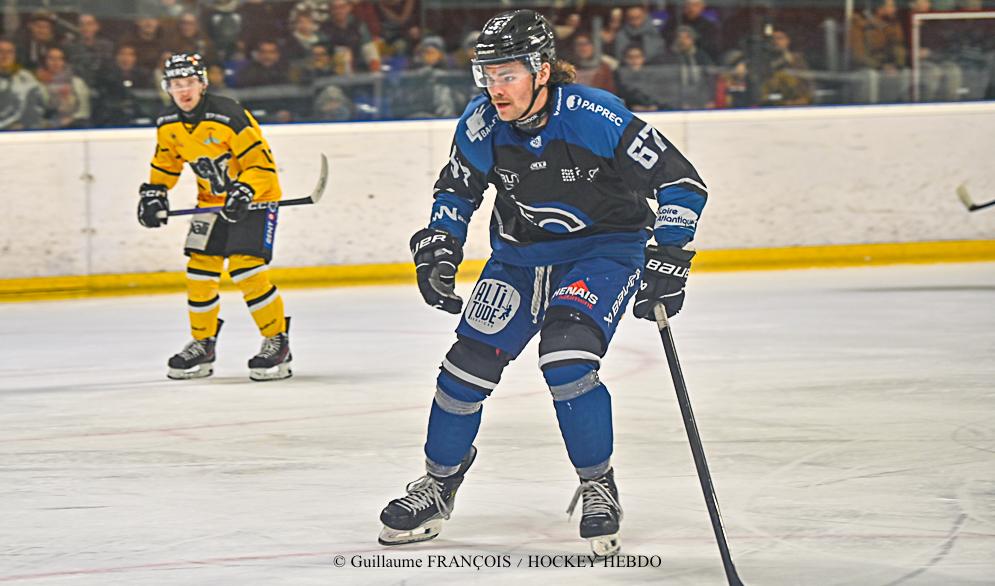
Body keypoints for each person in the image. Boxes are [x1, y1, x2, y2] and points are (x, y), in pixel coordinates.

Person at [378, 10, 707, 556]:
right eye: (488, 74)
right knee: (464, 371)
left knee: (567, 359)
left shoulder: (595, 115)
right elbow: (457, 189)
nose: (496, 88)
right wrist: (441, 243)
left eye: (508, 74)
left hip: (603, 253)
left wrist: (670, 255)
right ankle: (438, 484)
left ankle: (598, 484)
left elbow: (681, 183)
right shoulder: (481, 123)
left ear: (543, 70)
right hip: (518, 258)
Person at [137, 53, 293, 381]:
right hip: (210, 202)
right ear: (167, 88)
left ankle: (277, 341)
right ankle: (202, 343)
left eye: (189, 82)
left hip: (255, 200)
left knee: (246, 268)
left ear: (203, 84)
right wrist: (155, 192)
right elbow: (166, 163)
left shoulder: (229, 115)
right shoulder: (168, 123)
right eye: (176, 84)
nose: (184, 90)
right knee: (199, 270)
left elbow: (262, 165)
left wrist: (246, 189)